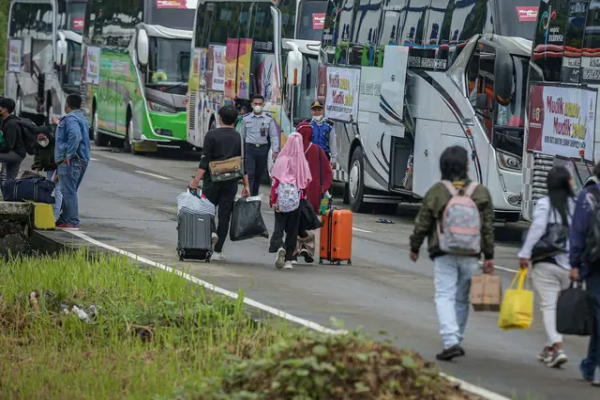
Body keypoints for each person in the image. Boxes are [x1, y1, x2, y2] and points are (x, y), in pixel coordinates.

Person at [408, 145, 494, 361]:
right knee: (462, 299)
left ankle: (451, 341)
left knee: (444, 295)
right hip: (472, 254)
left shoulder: (438, 190)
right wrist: (489, 255)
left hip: (444, 251)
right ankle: (457, 338)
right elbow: (488, 227)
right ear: (466, 165)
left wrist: (415, 246)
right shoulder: (480, 192)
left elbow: (423, 222)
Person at [518, 166, 575, 368]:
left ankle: (557, 346)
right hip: (570, 266)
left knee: (549, 306)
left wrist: (525, 253)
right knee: (558, 307)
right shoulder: (575, 206)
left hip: (547, 263)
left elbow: (537, 228)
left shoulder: (544, 204)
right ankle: (549, 347)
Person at [190, 105, 250, 262]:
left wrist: (196, 180)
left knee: (206, 209)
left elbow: (205, 160)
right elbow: (242, 163)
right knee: (225, 216)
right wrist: (247, 185)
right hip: (231, 182)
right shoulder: (239, 137)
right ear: (235, 120)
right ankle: (217, 252)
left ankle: (212, 232)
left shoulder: (211, 135)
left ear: (220, 118)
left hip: (212, 180)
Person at [569, 161, 600, 386]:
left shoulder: (588, 196)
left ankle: (594, 367)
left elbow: (578, 231)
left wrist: (574, 264)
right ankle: (590, 365)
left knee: (598, 315)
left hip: (595, 264)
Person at [269, 132, 312, 269]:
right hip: (296, 201)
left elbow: (275, 181)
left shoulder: (281, 159)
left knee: (279, 227)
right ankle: (288, 259)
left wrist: (273, 199)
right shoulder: (301, 162)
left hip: (280, 200)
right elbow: (305, 184)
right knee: (292, 230)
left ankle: (279, 246)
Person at [54, 94, 91, 230]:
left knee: (68, 190)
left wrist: (68, 155)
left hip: (72, 160)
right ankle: (65, 218)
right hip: (81, 159)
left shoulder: (70, 119)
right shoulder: (82, 118)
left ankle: (71, 221)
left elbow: (75, 136)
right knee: (70, 190)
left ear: (66, 105)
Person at [240, 94, 279, 196]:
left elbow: (274, 136)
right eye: (255, 104)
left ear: (263, 105)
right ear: (252, 104)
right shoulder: (246, 118)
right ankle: (250, 196)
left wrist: (275, 150)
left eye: (260, 104)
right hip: (250, 149)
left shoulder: (268, 119)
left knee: (258, 176)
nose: (257, 106)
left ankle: (254, 195)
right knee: (250, 174)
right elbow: (242, 136)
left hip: (262, 149)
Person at [31, 122, 62, 221]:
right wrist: (36, 168)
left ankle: (55, 216)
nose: (42, 141)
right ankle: (49, 214)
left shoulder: (55, 143)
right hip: (49, 168)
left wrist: (57, 174)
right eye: (39, 139)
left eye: (43, 139)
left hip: (58, 168)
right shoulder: (37, 145)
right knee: (47, 189)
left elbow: (61, 160)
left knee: (58, 190)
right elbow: (38, 159)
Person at [303, 100, 338, 169]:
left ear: (323, 111)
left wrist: (334, 158)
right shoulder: (307, 124)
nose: (317, 112)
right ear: (311, 111)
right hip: (310, 155)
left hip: (324, 155)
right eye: (314, 110)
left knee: (323, 177)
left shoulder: (329, 124)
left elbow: (332, 142)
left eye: (319, 110)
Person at [0, 97, 26, 184]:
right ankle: (9, 196)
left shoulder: (11, 124)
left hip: (16, 154)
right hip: (12, 152)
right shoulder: (5, 121)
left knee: (8, 178)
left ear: (4, 109)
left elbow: (8, 146)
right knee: (9, 180)